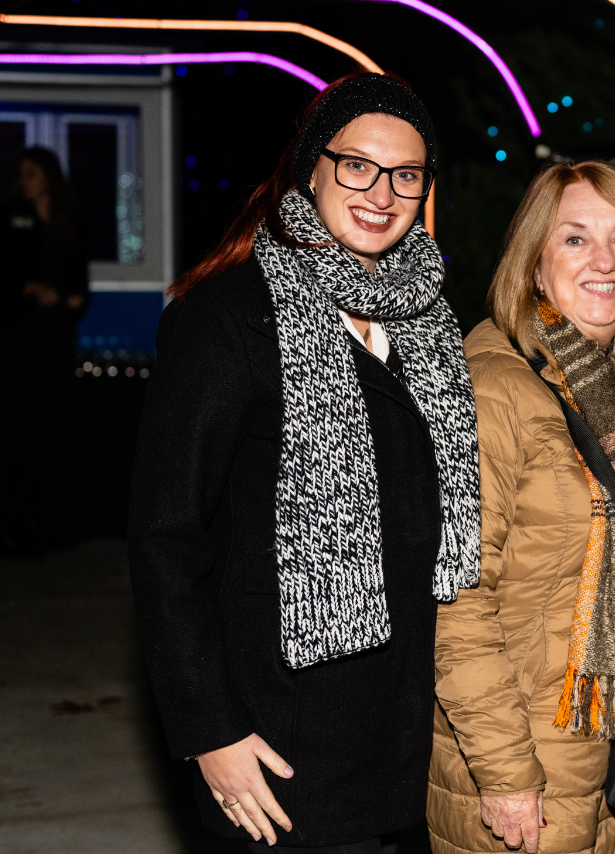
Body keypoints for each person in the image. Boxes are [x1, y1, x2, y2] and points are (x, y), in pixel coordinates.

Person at [128, 73, 481, 852]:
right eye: (357, 165)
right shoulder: (228, 318)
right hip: (279, 747)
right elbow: (165, 538)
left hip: (403, 741)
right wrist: (209, 732)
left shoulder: (428, 321)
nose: (382, 192)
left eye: (406, 175)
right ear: (310, 169)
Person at [428, 161, 615, 854]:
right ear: (535, 265)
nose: (603, 260)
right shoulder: (491, 389)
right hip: (523, 762)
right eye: (574, 239)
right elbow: (457, 598)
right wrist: (506, 770)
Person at [0, 147, 89, 559]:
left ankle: (32, 524)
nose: (25, 181)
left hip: (52, 343)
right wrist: (27, 289)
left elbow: (79, 276)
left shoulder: (66, 222)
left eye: (33, 173)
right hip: (15, 343)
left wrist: (76, 297)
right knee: (9, 437)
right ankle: (0, 528)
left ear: (50, 178)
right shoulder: (6, 219)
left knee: (44, 436)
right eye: (21, 174)